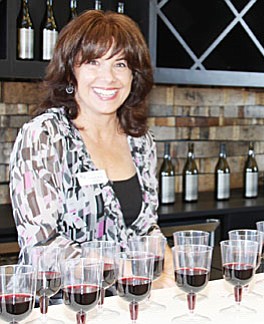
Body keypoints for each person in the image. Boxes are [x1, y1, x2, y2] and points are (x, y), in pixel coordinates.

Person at [9, 10, 174, 289]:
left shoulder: (140, 140)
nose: (108, 77)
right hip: (54, 307)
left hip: (127, 303)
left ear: (134, 75)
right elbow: (41, 246)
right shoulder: (45, 136)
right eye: (93, 62)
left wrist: (169, 273)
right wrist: (122, 272)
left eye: (120, 64)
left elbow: (146, 229)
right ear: (70, 72)